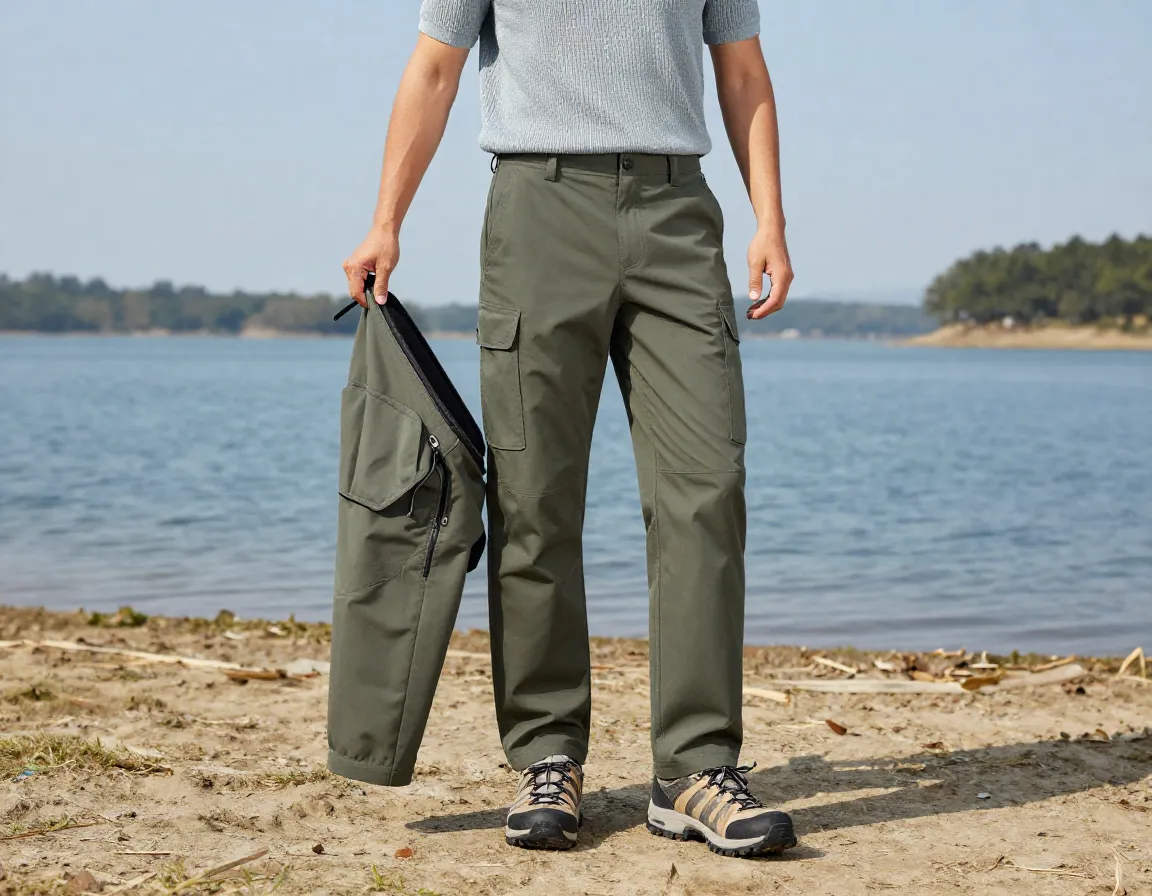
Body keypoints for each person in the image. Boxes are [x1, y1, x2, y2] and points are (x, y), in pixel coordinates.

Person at [342, 0, 796, 858]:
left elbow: (743, 71)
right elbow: (434, 67)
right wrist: (385, 221)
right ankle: (547, 754)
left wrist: (769, 217)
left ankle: (695, 766)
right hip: (537, 208)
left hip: (677, 211)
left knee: (707, 489)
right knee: (534, 498)